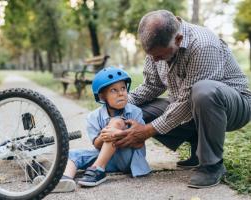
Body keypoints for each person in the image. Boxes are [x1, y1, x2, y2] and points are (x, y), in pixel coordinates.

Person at [106, 10, 251, 189]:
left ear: (179, 39)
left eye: (159, 56)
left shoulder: (203, 45)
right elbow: (151, 85)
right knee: (137, 112)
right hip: (190, 106)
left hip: (233, 107)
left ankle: (212, 166)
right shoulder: (156, 47)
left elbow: (186, 103)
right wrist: (118, 106)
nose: (154, 59)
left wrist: (146, 131)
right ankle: (198, 148)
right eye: (151, 55)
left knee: (203, 92)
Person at [53, 67, 151, 192]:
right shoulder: (93, 117)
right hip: (107, 158)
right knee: (73, 154)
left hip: (129, 159)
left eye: (123, 88)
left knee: (116, 122)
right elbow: (97, 145)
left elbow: (140, 143)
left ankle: (98, 169)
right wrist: (105, 135)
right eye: (113, 90)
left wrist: (118, 133)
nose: (121, 93)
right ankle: (64, 179)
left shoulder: (135, 112)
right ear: (102, 96)